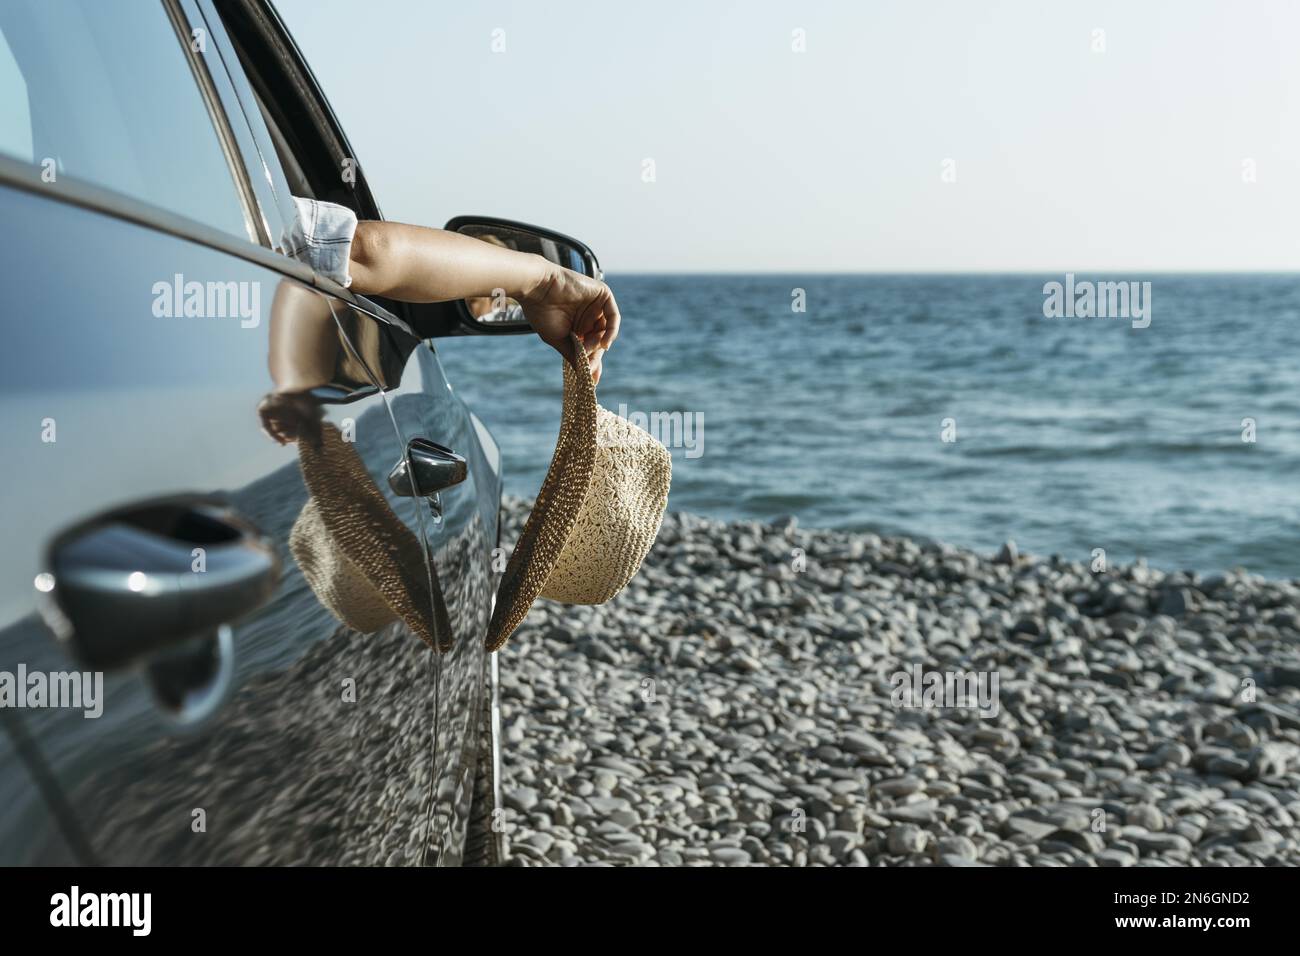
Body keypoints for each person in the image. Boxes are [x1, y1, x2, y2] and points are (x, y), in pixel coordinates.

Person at [283, 197, 618, 384]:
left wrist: (542, 283)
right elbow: (360, 252)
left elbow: (358, 252)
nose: (488, 303)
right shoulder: (253, 213)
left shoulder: (249, 217)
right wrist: (542, 283)